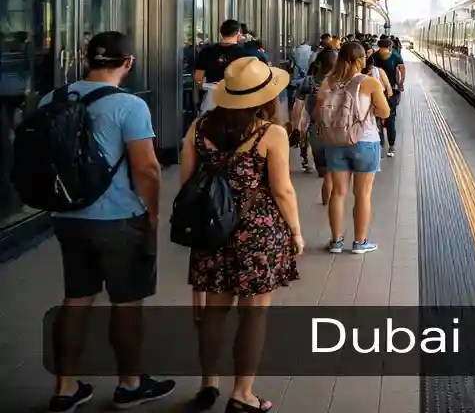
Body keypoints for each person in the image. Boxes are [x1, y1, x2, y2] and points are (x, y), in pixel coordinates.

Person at [45, 32, 175, 411]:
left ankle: (65, 388)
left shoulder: (53, 98)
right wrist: (152, 211)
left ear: (87, 59)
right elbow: (147, 168)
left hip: (67, 216)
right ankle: (130, 384)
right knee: (126, 303)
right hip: (118, 218)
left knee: (75, 298)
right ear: (128, 63)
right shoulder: (128, 106)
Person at [182, 57, 301, 413]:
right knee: (254, 314)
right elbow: (282, 191)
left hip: (211, 232)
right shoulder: (270, 133)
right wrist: (295, 232)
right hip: (258, 234)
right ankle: (243, 394)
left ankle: (208, 383)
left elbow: (187, 183)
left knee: (214, 312)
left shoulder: (198, 128)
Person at [317, 42, 389, 254]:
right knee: (363, 194)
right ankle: (359, 243)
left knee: (338, 193)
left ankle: (336, 242)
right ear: (361, 60)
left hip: (336, 141)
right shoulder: (370, 82)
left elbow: (321, 107)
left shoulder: (329, 81)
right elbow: (384, 113)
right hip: (365, 140)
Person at [301, 48, 338, 202]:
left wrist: (300, 125)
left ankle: (327, 197)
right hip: (337, 131)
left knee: (324, 172)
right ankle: (331, 195)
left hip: (315, 129)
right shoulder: (343, 82)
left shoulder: (309, 80)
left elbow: (298, 107)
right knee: (330, 171)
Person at [193, 20, 245, 115]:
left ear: (221, 33)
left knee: (207, 127)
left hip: (211, 98)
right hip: (235, 99)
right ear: (238, 33)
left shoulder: (206, 51)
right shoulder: (243, 53)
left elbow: (198, 78)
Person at [373, 38, 403, 157]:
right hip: (389, 93)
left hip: (378, 92)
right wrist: (401, 83)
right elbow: (402, 69)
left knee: (378, 119)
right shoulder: (394, 56)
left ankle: (381, 145)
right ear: (390, 46)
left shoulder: (373, 57)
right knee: (389, 118)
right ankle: (390, 146)